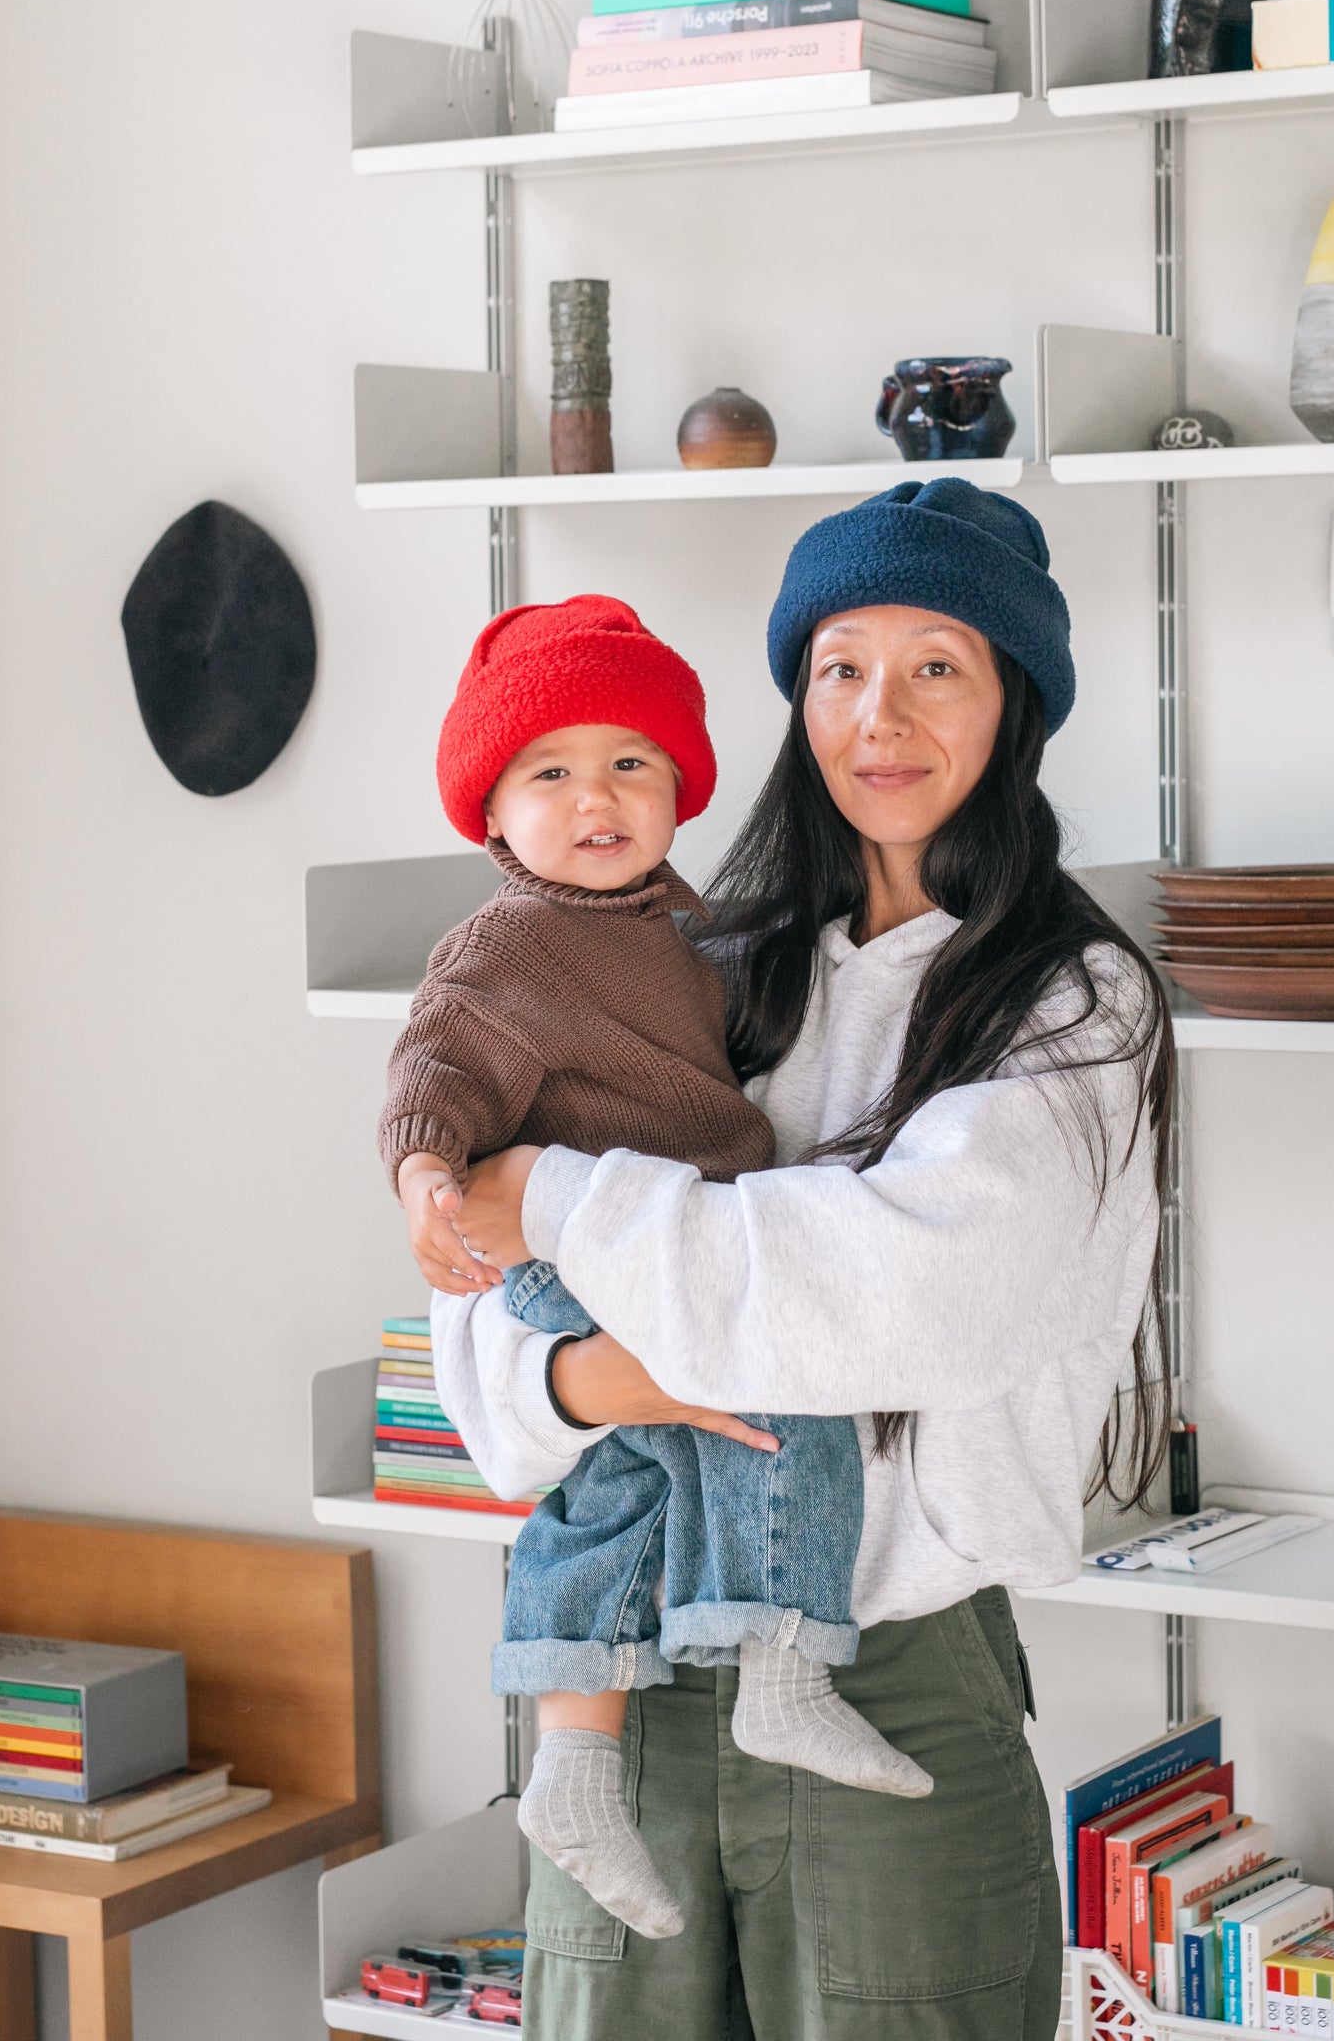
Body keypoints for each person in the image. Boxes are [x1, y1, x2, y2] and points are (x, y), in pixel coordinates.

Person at [432, 478, 1176, 2041]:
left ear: (1014, 702)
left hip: (890, 1670)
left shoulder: (1069, 1001)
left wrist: (563, 1207)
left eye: (936, 666)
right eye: (840, 665)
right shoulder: (691, 964)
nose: (879, 715)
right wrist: (580, 1366)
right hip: (620, 1666)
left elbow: (906, 1295)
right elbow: (473, 1329)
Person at [379, 594, 931, 1947]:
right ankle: (781, 1656)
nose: (597, 798)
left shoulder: (683, 921)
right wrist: (422, 1170)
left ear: (679, 791)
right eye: (550, 773)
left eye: (631, 764)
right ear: (492, 813)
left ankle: (570, 1766)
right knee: (777, 1407)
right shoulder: (504, 943)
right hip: (575, 1247)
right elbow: (435, 1064)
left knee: (620, 1491)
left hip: (664, 1225)